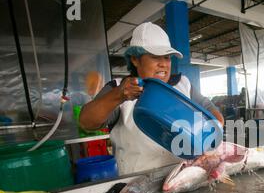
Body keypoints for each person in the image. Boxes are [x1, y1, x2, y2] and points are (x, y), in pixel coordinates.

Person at [79, 22, 224, 175]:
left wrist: (207, 140)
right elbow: (86, 122)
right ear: (135, 59)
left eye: (167, 57)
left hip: (179, 180)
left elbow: (213, 114)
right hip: (136, 185)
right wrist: (118, 95)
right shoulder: (118, 88)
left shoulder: (183, 85)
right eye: (155, 57)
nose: (163, 64)